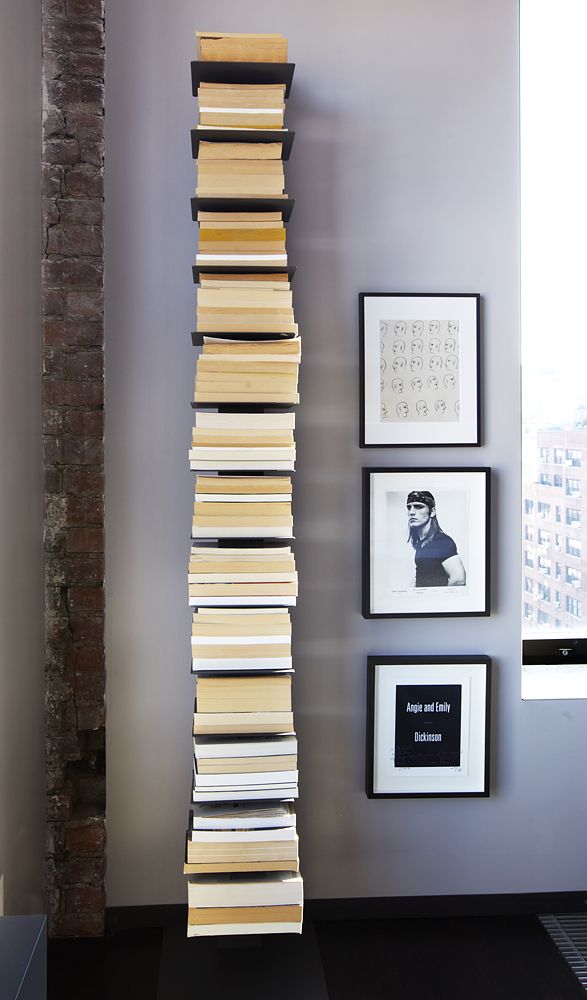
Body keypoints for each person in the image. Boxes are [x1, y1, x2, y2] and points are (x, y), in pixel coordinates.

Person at [406, 490, 466, 587]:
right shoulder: (422, 543)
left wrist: (436, 599)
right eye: (409, 507)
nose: (411, 512)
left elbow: (459, 579)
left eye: (419, 507)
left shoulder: (442, 541)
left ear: (432, 512)